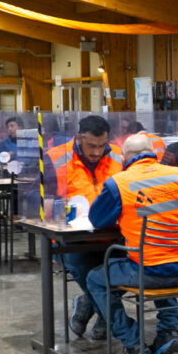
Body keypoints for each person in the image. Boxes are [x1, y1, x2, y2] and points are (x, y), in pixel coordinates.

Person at [85, 134, 178, 354]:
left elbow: (97, 220)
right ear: (154, 154)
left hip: (148, 271)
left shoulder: (119, 183)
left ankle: (132, 340)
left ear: (125, 158)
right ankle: (168, 331)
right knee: (158, 259)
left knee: (95, 279)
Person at [42, 114, 124, 341]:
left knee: (131, 266)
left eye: (101, 145)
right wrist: (56, 206)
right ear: (79, 138)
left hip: (112, 235)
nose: (97, 152)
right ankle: (105, 315)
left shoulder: (119, 156)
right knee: (83, 267)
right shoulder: (56, 158)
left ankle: (88, 304)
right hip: (73, 239)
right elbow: (35, 197)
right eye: (91, 145)